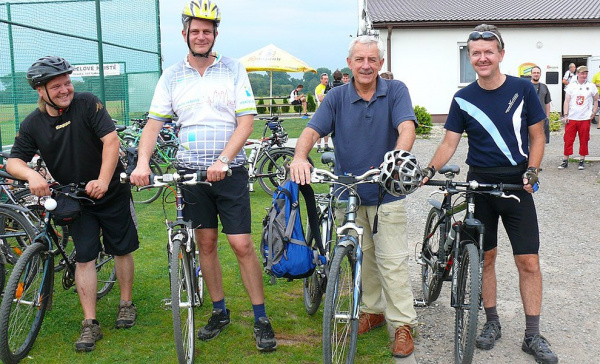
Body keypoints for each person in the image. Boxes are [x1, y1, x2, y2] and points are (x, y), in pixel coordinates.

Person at [129, 0, 276, 352]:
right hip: (190, 174)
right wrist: (142, 162)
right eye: (194, 31)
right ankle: (219, 310)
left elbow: (245, 121)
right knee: (206, 244)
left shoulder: (233, 68)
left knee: (241, 244)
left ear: (215, 35)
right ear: (185, 34)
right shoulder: (172, 75)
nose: (200, 36)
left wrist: (225, 159)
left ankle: (260, 317)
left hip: (229, 171)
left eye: (207, 31)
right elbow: (153, 123)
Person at [421, 24, 558, 364]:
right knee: (486, 259)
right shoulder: (463, 98)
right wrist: (429, 170)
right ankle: (491, 322)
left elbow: (537, 137)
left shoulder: (523, 89)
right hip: (478, 186)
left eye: (488, 52)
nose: (482, 58)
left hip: (515, 186)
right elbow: (449, 142)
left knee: (528, 261)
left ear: (501, 54)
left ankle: (532, 335)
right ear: (470, 57)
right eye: (476, 53)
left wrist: (532, 170)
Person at [290, 35, 419, 358]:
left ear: (380, 64)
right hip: (348, 192)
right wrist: (299, 157)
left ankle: (402, 324)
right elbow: (311, 130)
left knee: (392, 262)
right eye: (359, 60)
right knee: (363, 258)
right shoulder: (335, 98)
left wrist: (397, 159)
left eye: (372, 60)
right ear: (349, 63)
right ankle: (373, 310)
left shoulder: (396, 91)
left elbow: (407, 128)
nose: (366, 65)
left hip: (386, 191)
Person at [7, 56, 139, 352]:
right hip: (75, 197)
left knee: (122, 247)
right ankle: (90, 322)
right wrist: (30, 174)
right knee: (84, 257)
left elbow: (111, 141)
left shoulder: (88, 103)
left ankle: (126, 303)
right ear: (41, 91)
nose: (66, 89)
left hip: (111, 190)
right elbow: (14, 160)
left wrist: (104, 181)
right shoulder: (33, 123)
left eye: (67, 82)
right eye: (57, 86)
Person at [559, 65, 599, 170]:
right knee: (568, 139)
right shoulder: (571, 86)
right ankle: (565, 160)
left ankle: (582, 160)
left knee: (584, 139)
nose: (584, 75)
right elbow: (566, 101)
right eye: (582, 73)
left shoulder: (591, 86)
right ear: (577, 74)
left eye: (586, 73)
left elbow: (596, 100)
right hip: (572, 117)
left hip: (584, 118)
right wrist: (566, 114)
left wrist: (594, 112)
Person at [531, 66, 552, 143]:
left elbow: (547, 102)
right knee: (529, 141)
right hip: (529, 118)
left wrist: (547, 116)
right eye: (534, 73)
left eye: (538, 73)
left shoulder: (544, 87)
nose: (536, 74)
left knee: (540, 141)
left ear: (540, 74)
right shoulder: (526, 86)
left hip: (542, 118)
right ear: (531, 74)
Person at [315, 72, 332, 152]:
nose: (326, 80)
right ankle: (318, 147)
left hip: (327, 110)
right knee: (320, 129)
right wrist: (329, 96)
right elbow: (321, 99)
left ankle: (326, 145)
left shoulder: (326, 87)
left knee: (327, 129)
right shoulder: (319, 87)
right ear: (321, 79)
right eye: (325, 79)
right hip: (321, 110)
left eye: (327, 79)